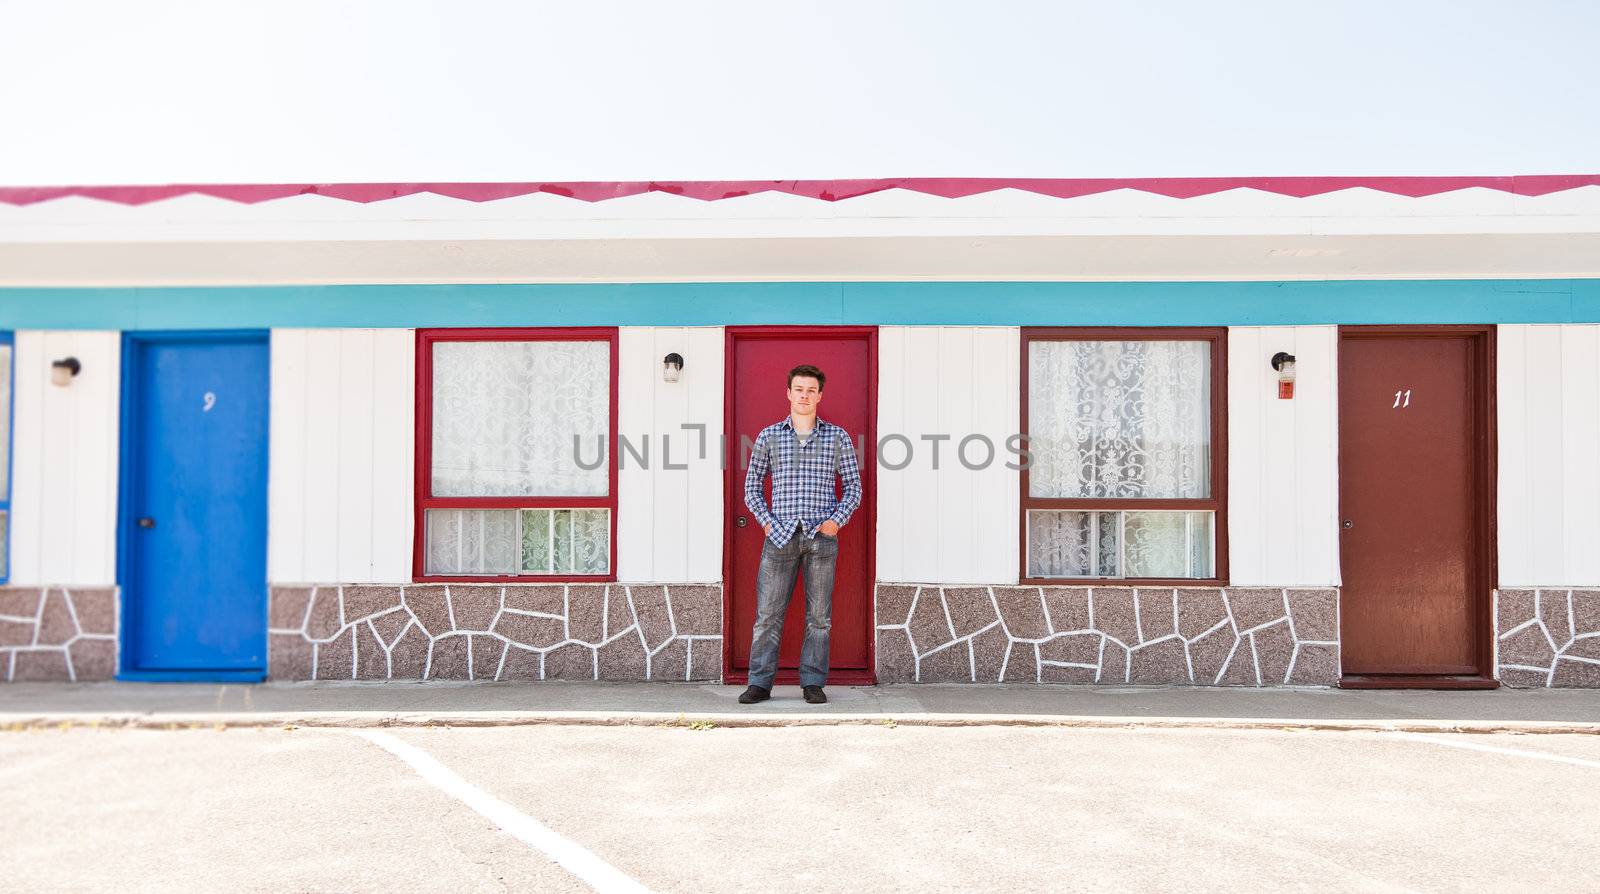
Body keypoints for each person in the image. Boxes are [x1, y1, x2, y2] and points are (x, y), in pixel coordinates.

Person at [738, 364, 862, 705]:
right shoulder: (769, 436)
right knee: (767, 615)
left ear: (819, 396)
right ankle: (760, 684)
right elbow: (752, 487)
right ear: (789, 393)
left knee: (819, 617)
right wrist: (766, 522)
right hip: (779, 538)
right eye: (798, 389)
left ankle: (812, 682)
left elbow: (853, 487)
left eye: (811, 390)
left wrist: (836, 521)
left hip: (822, 539)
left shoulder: (838, 438)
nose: (804, 395)